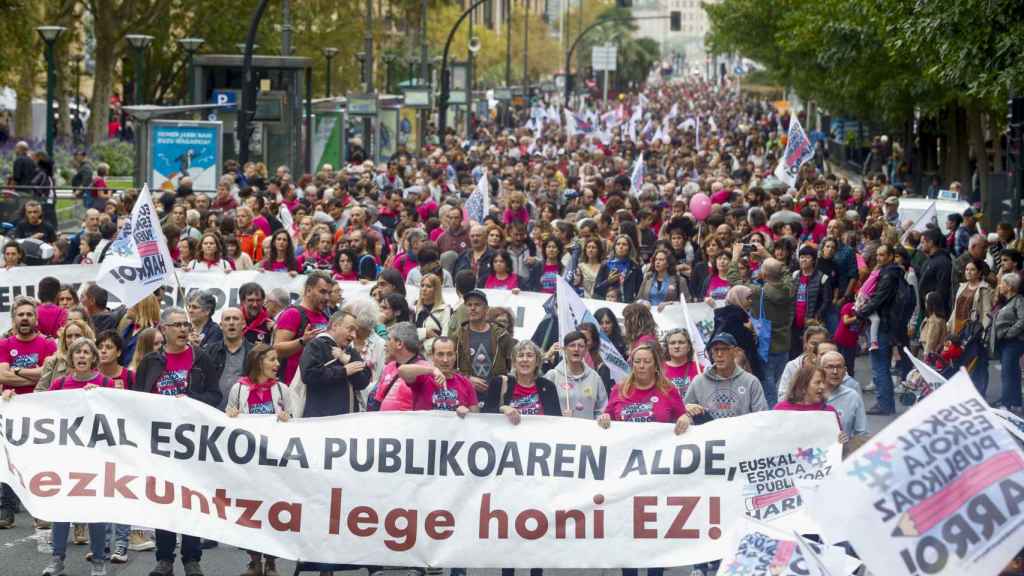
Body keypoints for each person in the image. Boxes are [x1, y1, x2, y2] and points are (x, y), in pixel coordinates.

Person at [133, 307, 220, 576]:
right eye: (177, 325)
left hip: (192, 443)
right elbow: (137, 400)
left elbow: (215, 396)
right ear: (163, 329)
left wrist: (192, 399)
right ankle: (165, 559)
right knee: (166, 501)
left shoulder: (200, 358)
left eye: (186, 324)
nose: (183, 329)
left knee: (192, 500)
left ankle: (192, 558)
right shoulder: (151, 362)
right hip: (160, 443)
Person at [223, 344, 291, 576]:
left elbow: (296, 423)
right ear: (258, 362)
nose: (277, 364)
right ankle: (253, 560)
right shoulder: (239, 389)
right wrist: (230, 416)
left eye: (277, 360)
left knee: (273, 511)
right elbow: (226, 422)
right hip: (249, 463)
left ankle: (271, 561)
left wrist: (286, 419)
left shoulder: (282, 389)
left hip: (273, 462)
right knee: (250, 511)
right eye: (272, 359)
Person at [726, 246, 795, 406]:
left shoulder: (758, 292)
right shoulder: (789, 288)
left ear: (763, 275)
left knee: (768, 386)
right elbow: (784, 273)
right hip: (784, 344)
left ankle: (772, 412)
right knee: (778, 383)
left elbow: (735, 281)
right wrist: (766, 255)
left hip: (766, 345)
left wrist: (735, 256)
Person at [854, 243, 904, 415]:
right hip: (884, 322)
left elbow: (879, 298)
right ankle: (886, 403)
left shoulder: (889, 275)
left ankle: (883, 404)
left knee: (879, 365)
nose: (879, 258)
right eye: (878, 254)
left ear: (890, 256)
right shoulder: (887, 273)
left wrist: (861, 312)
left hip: (882, 324)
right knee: (880, 364)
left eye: (883, 255)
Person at [297, 309, 372, 417]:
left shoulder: (350, 351)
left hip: (348, 420)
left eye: (355, 331)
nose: (354, 335)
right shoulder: (316, 345)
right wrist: (344, 371)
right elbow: (309, 374)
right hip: (321, 420)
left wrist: (348, 360)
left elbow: (363, 382)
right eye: (350, 329)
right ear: (335, 326)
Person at [450, 290, 514, 406]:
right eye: (469, 305)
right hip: (467, 397)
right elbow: (448, 368)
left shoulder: (501, 335)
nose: (472, 308)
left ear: (487, 309)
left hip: (496, 398)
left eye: (477, 304)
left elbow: (514, 366)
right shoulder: (457, 336)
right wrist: (467, 380)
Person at [685, 332, 768, 420]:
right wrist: (688, 409)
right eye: (716, 350)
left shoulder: (751, 382)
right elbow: (683, 411)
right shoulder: (699, 381)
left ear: (735, 352)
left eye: (725, 349)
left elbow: (761, 416)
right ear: (711, 354)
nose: (719, 354)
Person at [273, 271, 333, 384]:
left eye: (329, 293)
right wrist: (303, 341)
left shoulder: (325, 316)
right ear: (308, 290)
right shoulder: (293, 313)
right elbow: (276, 349)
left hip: (317, 384)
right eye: (322, 292)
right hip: (294, 387)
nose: (327, 297)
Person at [397, 336, 479, 413]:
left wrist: (467, 412)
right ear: (432, 356)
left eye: (450, 354)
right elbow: (401, 370)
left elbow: (476, 416)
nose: (445, 360)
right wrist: (432, 370)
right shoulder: (423, 377)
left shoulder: (465, 383)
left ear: (455, 356)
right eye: (440, 354)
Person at [948, 259, 994, 395]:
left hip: (973, 330)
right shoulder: (962, 286)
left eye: (972, 269)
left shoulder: (984, 289)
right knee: (958, 361)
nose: (968, 272)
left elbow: (987, 313)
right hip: (958, 328)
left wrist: (983, 332)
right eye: (967, 269)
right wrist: (949, 324)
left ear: (979, 272)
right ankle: (961, 392)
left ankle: (977, 393)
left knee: (974, 362)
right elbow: (955, 308)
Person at [486, 339, 561, 420]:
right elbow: (484, 415)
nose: (525, 359)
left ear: (537, 362)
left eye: (529, 355)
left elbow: (555, 419)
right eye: (521, 355)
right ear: (514, 362)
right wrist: (502, 409)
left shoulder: (548, 386)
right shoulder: (499, 383)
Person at [543, 331, 609, 419]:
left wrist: (602, 418)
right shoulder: (552, 376)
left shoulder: (595, 378)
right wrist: (558, 415)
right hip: (559, 431)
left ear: (586, 350)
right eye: (572, 345)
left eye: (581, 346)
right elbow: (542, 406)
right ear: (565, 349)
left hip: (587, 431)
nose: (576, 349)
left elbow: (602, 409)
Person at [773, 365, 846, 442]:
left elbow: (837, 442)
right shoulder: (781, 409)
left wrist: (841, 439)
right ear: (803, 386)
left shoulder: (829, 412)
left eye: (823, 382)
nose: (822, 386)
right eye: (818, 382)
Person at [205, 308, 254, 410]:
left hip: (244, 413)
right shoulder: (209, 351)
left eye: (235, 319)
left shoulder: (255, 352)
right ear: (221, 325)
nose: (231, 322)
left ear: (244, 324)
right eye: (227, 319)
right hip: (213, 413)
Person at [819, 351, 868, 440]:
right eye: (830, 367)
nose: (835, 372)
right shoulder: (810, 395)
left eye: (839, 367)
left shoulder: (852, 396)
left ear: (845, 371)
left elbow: (862, 433)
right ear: (820, 370)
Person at [993, 273, 1024, 413]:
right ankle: (1016, 402)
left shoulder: (1019, 300)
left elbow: (1023, 320)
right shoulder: (1005, 301)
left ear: (1010, 286)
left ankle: (1005, 404)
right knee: (1013, 372)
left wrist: (1009, 333)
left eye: (1002, 283)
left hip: (1014, 342)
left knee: (1007, 372)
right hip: (1006, 342)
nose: (999, 286)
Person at [35, 319, 94, 391]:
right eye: (69, 336)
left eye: (78, 335)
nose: (73, 340)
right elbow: (39, 392)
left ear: (87, 338)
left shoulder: (96, 361)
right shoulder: (52, 362)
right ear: (64, 340)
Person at [778, 325, 829, 401]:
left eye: (821, 344)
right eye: (813, 344)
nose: (817, 348)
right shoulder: (792, 366)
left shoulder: (833, 365)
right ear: (805, 344)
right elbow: (782, 396)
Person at [594, 234, 642, 301]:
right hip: (608, 303)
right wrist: (608, 281)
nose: (621, 246)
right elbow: (596, 289)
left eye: (624, 244)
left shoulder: (634, 267)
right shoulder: (605, 265)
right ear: (614, 247)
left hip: (626, 304)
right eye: (618, 244)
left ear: (629, 248)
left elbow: (639, 291)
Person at [918, 228, 954, 317]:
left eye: (922, 242)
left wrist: (934, 312)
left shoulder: (943, 262)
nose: (920, 245)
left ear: (930, 243)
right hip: (926, 311)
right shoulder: (928, 260)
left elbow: (943, 289)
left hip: (936, 314)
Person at [414, 273, 451, 356]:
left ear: (436, 290)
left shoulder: (445, 309)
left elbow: (445, 337)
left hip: (434, 358)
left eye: (428, 286)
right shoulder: (416, 309)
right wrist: (425, 332)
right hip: (417, 358)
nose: (424, 289)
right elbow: (410, 334)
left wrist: (425, 345)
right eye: (422, 285)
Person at [662, 328, 700, 398]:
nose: (676, 346)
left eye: (681, 342)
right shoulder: (659, 370)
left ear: (689, 347)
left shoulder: (700, 369)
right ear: (667, 347)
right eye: (672, 343)